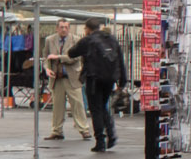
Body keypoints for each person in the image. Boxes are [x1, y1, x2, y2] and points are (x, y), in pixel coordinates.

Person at [68, 17, 128, 152]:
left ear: (87, 29)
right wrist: (122, 81)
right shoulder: (112, 39)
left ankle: (100, 141)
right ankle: (111, 135)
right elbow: (120, 59)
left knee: (96, 109)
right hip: (110, 79)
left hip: (94, 79)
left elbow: (71, 53)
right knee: (103, 106)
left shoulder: (88, 40)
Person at [42, 19, 92, 141]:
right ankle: (56, 131)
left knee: (77, 105)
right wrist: (47, 69)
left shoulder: (75, 40)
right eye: (61, 27)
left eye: (66, 27)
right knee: (57, 106)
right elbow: (45, 58)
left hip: (72, 77)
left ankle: (84, 129)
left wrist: (58, 57)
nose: (64, 29)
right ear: (57, 28)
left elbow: (75, 58)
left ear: (69, 28)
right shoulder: (50, 40)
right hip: (57, 78)